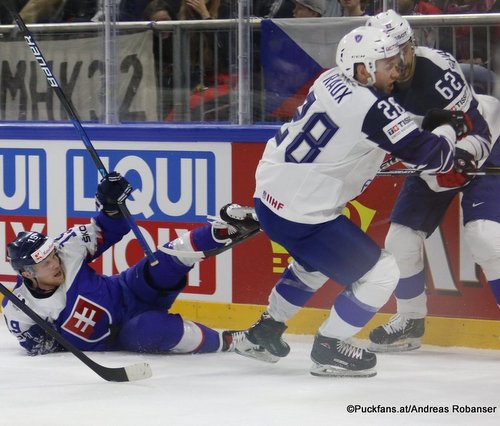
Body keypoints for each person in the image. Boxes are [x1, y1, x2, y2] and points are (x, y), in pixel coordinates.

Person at [232, 25, 472, 377]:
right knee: (381, 272)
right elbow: (432, 156)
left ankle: (263, 333)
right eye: (387, 63)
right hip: (303, 211)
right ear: (362, 69)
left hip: (272, 195)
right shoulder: (370, 107)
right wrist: (447, 128)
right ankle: (329, 347)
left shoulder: (330, 78)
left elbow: (367, 131)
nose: (397, 70)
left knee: (312, 265)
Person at [2, 171, 260, 356]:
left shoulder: (67, 248)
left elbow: (108, 228)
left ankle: (229, 229)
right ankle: (232, 341)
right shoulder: (19, 307)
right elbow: (38, 347)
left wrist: (111, 207)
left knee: (164, 261)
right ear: (27, 272)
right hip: (122, 334)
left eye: (53, 256)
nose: (55, 263)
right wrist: (48, 337)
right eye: (45, 264)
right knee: (152, 329)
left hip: (129, 288)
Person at [365, 10, 500, 352]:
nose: (392, 65)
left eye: (397, 54)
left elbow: (477, 131)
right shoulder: (367, 79)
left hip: (483, 143)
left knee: (485, 236)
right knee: (400, 240)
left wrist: (462, 159)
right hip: (434, 152)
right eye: (383, 57)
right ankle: (410, 321)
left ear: (410, 46)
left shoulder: (438, 70)